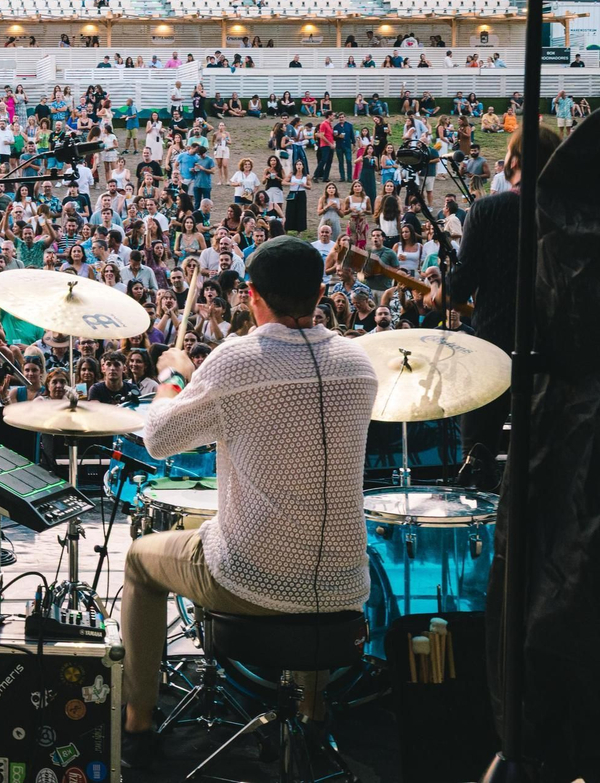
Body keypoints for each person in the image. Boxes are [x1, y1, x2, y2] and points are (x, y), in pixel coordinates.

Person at [119, 237, 377, 766]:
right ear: (320, 292)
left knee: (139, 560)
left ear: (252, 296)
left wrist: (173, 376)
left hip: (249, 580)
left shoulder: (236, 360)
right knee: (311, 549)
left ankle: (137, 724)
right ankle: (311, 714)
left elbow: (158, 439)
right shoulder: (360, 365)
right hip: (347, 585)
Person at [427, 123, 562, 489]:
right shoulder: (570, 214)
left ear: (514, 161)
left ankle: (488, 529)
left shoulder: (488, 210)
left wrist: (439, 289)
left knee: (479, 453)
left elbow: (460, 287)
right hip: (558, 352)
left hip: (497, 348)